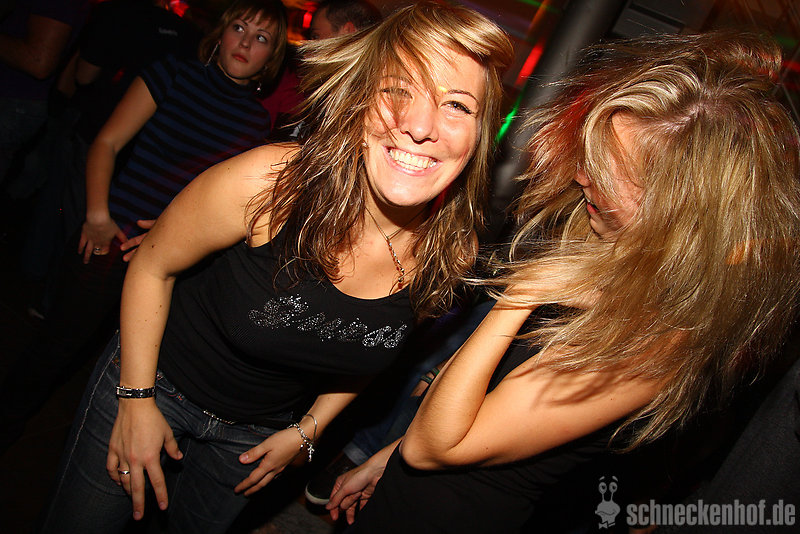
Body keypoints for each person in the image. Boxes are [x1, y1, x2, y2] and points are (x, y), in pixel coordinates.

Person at [36, 3, 513, 533]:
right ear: (358, 99)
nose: (421, 127)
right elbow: (151, 267)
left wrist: (308, 430)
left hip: (254, 439)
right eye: (398, 90)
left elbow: (369, 350)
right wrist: (136, 399)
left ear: (480, 133)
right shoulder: (270, 185)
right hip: (154, 382)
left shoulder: (452, 250)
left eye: (456, 104)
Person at [328, 31, 800, 533]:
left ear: (676, 207)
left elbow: (434, 448)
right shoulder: (609, 255)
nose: (581, 177)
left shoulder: (656, 338)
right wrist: (387, 458)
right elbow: (483, 408)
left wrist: (521, 295)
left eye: (607, 170)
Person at [0, 0, 284, 453]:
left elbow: (225, 205)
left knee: (132, 368)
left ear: (271, 57)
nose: (246, 42)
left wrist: (177, 238)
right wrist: (97, 215)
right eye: (239, 27)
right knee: (57, 346)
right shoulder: (172, 73)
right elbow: (107, 142)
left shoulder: (255, 123)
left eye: (261, 37)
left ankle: (96, 454)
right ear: (220, 33)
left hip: (173, 260)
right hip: (111, 236)